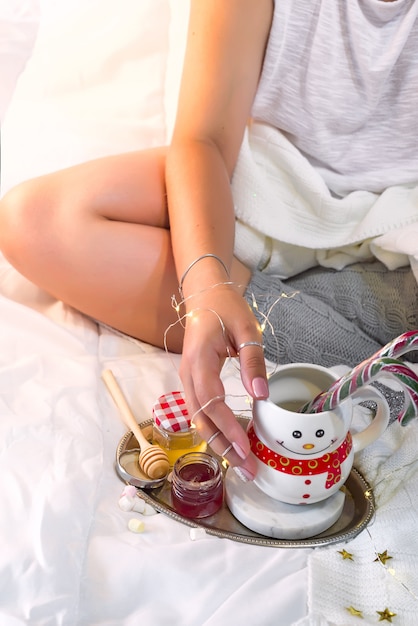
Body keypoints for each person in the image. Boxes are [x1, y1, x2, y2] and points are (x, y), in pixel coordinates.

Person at [0, 0, 417, 482]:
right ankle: (365, 341)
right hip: (263, 183)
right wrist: (205, 291)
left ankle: (348, 333)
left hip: (403, 223)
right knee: (35, 220)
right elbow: (205, 141)